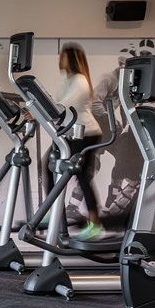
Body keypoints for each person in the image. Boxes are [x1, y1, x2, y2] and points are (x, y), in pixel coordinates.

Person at [47, 43, 105, 241]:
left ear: (70, 58)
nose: (58, 60)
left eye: (61, 56)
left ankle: (96, 225)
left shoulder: (80, 81)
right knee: (49, 167)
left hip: (85, 133)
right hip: (70, 133)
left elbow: (62, 106)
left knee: (80, 177)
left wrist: (39, 113)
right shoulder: (69, 80)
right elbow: (56, 106)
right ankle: (53, 213)